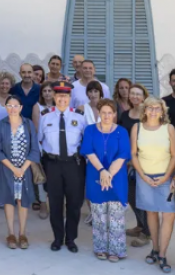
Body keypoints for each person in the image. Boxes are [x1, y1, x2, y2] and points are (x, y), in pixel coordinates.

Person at [37, 81, 87, 253]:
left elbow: (86, 142)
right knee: (56, 203)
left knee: (74, 203)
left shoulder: (79, 117)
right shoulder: (45, 116)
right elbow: (39, 141)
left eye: (65, 96)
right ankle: (58, 238)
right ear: (54, 97)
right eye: (59, 95)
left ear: (70, 97)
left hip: (74, 164)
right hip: (53, 165)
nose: (62, 99)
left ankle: (71, 238)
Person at [131, 96, 175, 273]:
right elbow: (133, 154)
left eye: (157, 108)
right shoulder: (137, 128)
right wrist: (143, 175)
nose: (153, 111)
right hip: (145, 177)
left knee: (168, 214)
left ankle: (163, 254)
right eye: (150, 107)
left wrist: (167, 177)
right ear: (144, 109)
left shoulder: (169, 128)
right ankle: (155, 249)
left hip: (165, 178)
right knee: (151, 213)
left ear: (162, 111)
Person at [80, 99, 130, 262]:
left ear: (115, 114)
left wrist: (108, 174)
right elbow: (88, 150)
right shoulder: (90, 130)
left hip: (117, 177)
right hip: (95, 175)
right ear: (99, 113)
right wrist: (102, 171)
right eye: (103, 112)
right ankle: (100, 247)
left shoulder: (121, 131)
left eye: (110, 112)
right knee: (99, 214)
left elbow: (123, 154)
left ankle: (116, 250)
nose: (107, 115)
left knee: (116, 216)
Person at [0, 95, 40, 250]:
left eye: (15, 106)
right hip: (7, 170)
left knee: (23, 200)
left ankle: (22, 233)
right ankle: (11, 233)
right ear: (5, 107)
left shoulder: (28, 124)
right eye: (9, 106)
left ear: (20, 108)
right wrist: (14, 169)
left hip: (24, 170)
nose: (12, 109)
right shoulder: (1, 125)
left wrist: (22, 169)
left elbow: (34, 150)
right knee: (9, 200)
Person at [119, 83, 151, 247]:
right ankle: (140, 225)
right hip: (126, 163)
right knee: (131, 196)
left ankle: (148, 233)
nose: (135, 96)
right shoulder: (124, 115)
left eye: (138, 94)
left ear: (144, 96)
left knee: (142, 197)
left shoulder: (148, 116)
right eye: (132, 94)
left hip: (144, 163)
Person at [30, 81, 55, 219]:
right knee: (41, 176)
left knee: (55, 178)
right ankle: (43, 204)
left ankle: (56, 204)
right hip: (41, 146)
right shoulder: (37, 106)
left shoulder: (60, 107)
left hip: (57, 148)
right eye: (44, 91)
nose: (47, 93)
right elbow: (36, 128)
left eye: (49, 91)